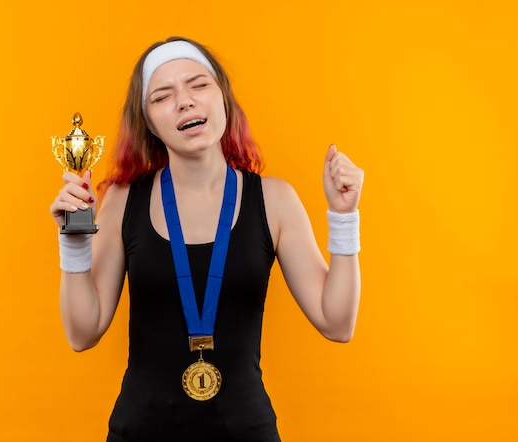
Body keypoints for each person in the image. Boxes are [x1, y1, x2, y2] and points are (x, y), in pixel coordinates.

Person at [50, 36, 364, 442]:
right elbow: (82, 333)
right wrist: (74, 241)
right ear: (147, 121)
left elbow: (337, 323)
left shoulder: (274, 199)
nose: (185, 101)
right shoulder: (122, 202)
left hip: (245, 431)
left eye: (198, 85)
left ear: (223, 98)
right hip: (140, 431)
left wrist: (343, 217)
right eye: (163, 95)